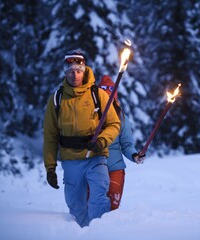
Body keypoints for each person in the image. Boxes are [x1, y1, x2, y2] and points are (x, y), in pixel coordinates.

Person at [43, 49, 120, 227]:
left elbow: (114, 124)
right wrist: (50, 167)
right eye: (70, 71)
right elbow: (50, 136)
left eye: (78, 71)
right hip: (71, 160)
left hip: (96, 157)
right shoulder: (57, 99)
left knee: (99, 197)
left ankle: (99, 234)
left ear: (84, 70)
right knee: (76, 206)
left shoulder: (98, 95)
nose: (74, 75)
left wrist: (102, 141)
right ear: (65, 72)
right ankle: (81, 234)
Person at [97, 75, 145, 210]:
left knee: (112, 208)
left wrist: (134, 155)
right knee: (94, 207)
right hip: (93, 168)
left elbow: (127, 144)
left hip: (115, 169)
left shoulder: (122, 117)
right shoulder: (91, 115)